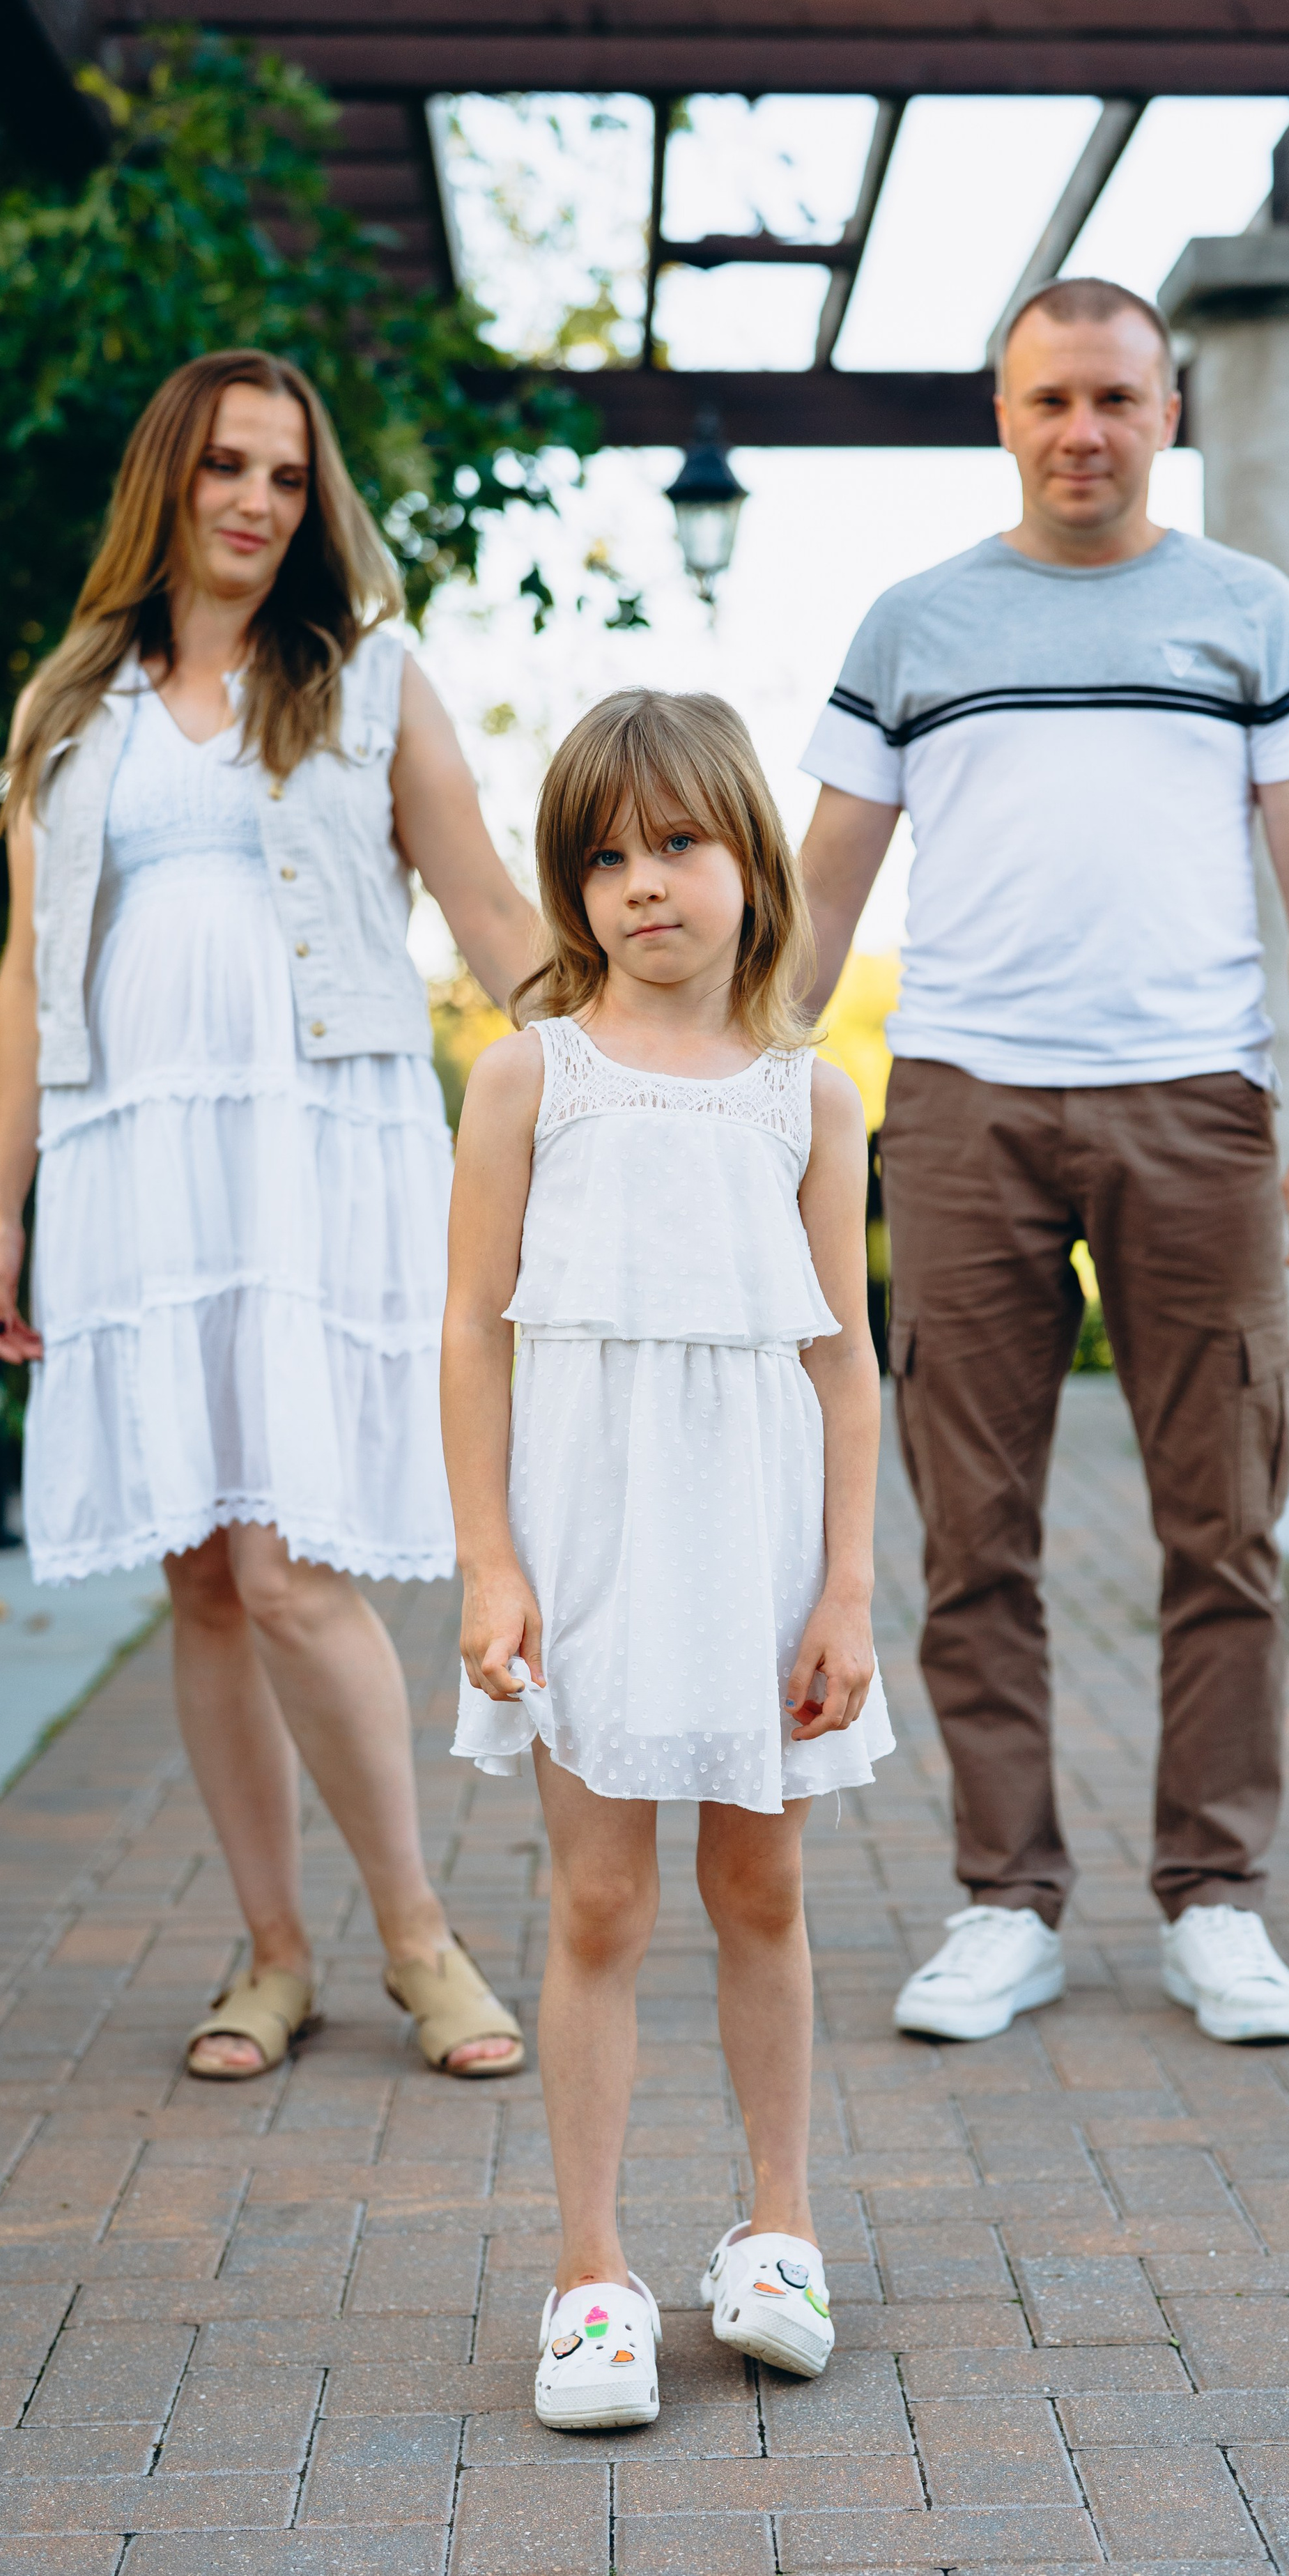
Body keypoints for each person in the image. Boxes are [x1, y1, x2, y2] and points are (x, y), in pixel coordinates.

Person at [799, 276, 1289, 2050]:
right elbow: (818, 888)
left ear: (1167, 410)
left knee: (1224, 1528)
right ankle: (1005, 1903)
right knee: (971, 1533)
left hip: (1192, 1108)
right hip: (964, 1108)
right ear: (1004, 413)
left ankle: (1214, 1899)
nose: (1082, 433)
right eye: (1050, 399)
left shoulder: (1246, 613)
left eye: (1115, 400)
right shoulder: (914, 625)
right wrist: (743, 1111)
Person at [0, 349, 537, 2085]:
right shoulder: (71, 703)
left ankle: (419, 1936)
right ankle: (274, 1955)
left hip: (310, 1142)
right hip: (134, 1157)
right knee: (198, 1572)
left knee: (286, 1565)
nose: (256, 501)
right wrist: (3, 1209)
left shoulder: (366, 674)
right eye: (226, 466)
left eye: (287, 476)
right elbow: (23, 972)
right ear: (171, 479)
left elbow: (489, 906)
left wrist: (639, 1061)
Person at [442, 688, 891, 2430]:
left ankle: (776, 2228)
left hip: (759, 1545)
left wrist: (846, 1585)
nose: (645, 885)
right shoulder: (525, 1076)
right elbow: (473, 1335)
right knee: (602, 1899)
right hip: (591, 1541)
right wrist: (489, 1560)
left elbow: (843, 1357)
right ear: (571, 887)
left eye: (680, 844)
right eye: (605, 855)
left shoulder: (806, 1095)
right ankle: (589, 2270)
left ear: (748, 863)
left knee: (759, 1890)